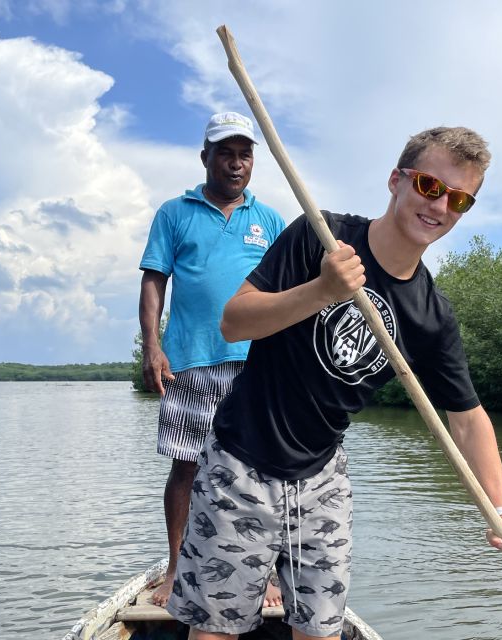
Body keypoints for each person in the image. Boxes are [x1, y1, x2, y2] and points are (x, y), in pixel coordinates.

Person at [166, 126, 502, 639]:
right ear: (397, 181)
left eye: (460, 199)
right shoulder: (321, 236)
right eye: (431, 186)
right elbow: (235, 321)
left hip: (322, 478)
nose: (441, 206)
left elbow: (468, 418)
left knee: (321, 632)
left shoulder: (430, 315)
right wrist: (323, 288)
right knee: (214, 630)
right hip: (240, 461)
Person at [138, 112, 286, 607]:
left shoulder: (269, 221)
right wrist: (152, 345)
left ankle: (261, 574)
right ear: (205, 157)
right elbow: (154, 280)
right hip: (189, 361)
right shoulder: (175, 212)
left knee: (259, 471)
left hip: (256, 364)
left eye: (245, 154)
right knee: (186, 467)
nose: (236, 163)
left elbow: (287, 292)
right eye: (225, 152)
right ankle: (177, 567)